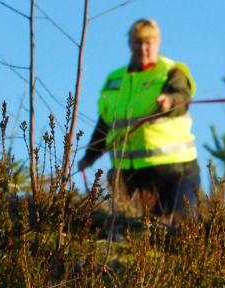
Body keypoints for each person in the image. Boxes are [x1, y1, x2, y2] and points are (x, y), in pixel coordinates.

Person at [77, 18, 200, 220]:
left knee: (179, 230)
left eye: (148, 42)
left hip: (175, 171)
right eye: (137, 42)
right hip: (129, 174)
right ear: (130, 44)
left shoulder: (172, 72)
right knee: (133, 233)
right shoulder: (115, 80)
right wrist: (88, 158)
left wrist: (169, 101)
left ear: (157, 43)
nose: (143, 48)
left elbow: (182, 98)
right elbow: (105, 125)